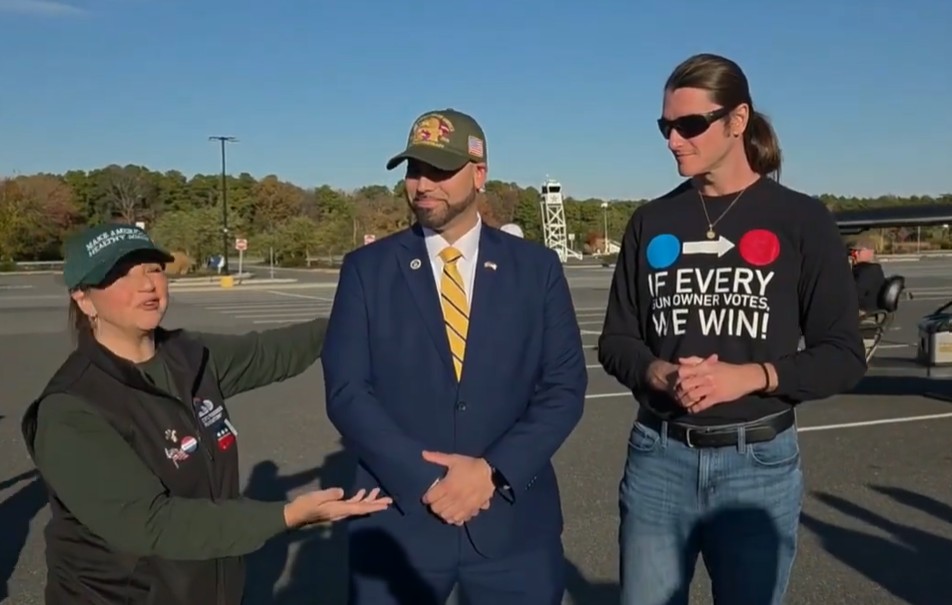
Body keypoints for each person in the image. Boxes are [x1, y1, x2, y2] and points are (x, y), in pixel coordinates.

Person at [598, 53, 867, 605]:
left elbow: (843, 353)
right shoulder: (650, 222)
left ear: (737, 120)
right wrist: (657, 369)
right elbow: (616, 341)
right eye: (665, 126)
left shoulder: (801, 219)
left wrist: (750, 377)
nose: (673, 139)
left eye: (690, 125)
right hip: (658, 457)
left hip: (759, 466)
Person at [20, 223, 391, 605]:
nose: (147, 284)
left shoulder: (187, 357)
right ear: (84, 298)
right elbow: (152, 523)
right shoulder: (73, 408)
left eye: (153, 269)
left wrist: (362, 319)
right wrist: (285, 516)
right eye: (121, 275)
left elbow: (271, 353)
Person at [321, 108, 587, 604]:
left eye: (440, 170)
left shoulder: (536, 268)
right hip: (399, 524)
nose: (423, 185)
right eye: (413, 170)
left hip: (513, 526)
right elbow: (347, 392)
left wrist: (491, 472)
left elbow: (564, 388)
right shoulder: (366, 270)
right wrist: (429, 481)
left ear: (479, 174)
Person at [849, 235, 887, 313]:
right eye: (852, 253)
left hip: (864, 312)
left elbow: (854, 295)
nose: (853, 256)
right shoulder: (872, 269)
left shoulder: (868, 272)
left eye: (854, 252)